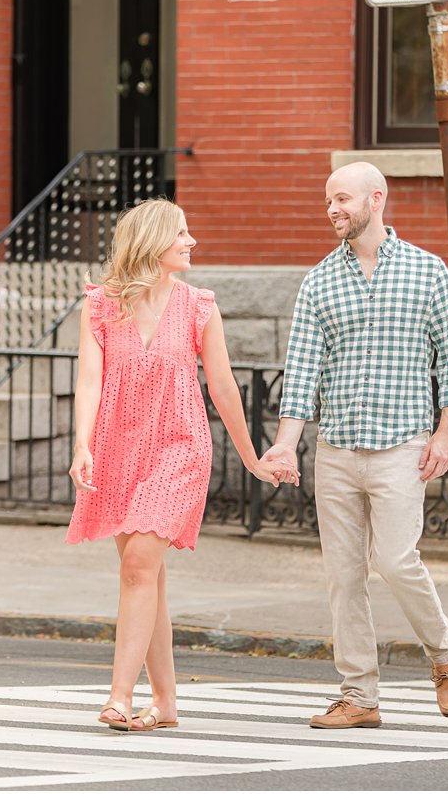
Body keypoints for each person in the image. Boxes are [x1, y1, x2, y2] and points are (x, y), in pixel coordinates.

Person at [66, 198, 298, 733]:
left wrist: (252, 459)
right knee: (146, 579)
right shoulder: (101, 305)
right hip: (118, 449)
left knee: (138, 568)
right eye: (182, 233)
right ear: (152, 241)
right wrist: (82, 445)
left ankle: (119, 697)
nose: (191, 242)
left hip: (178, 449)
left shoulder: (199, 306)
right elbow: (89, 381)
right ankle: (166, 704)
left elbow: (222, 387)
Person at [262, 161, 448, 728]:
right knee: (344, 575)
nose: (332, 209)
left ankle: (444, 653)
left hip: (403, 445)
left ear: (376, 199)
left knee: (398, 560)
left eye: (342, 199)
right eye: (328, 200)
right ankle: (359, 694)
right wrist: (285, 445)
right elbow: (301, 371)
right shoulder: (319, 281)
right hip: (336, 451)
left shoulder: (428, 273)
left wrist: (446, 433)